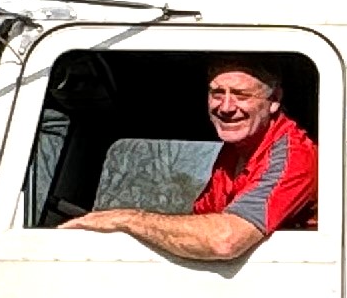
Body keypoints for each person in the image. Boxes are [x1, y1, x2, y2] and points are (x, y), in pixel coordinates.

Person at [64, 58, 318, 259]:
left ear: (274, 101)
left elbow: (224, 240)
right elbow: (201, 221)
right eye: (217, 93)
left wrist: (125, 220)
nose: (227, 107)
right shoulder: (234, 151)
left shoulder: (294, 154)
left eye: (241, 95)